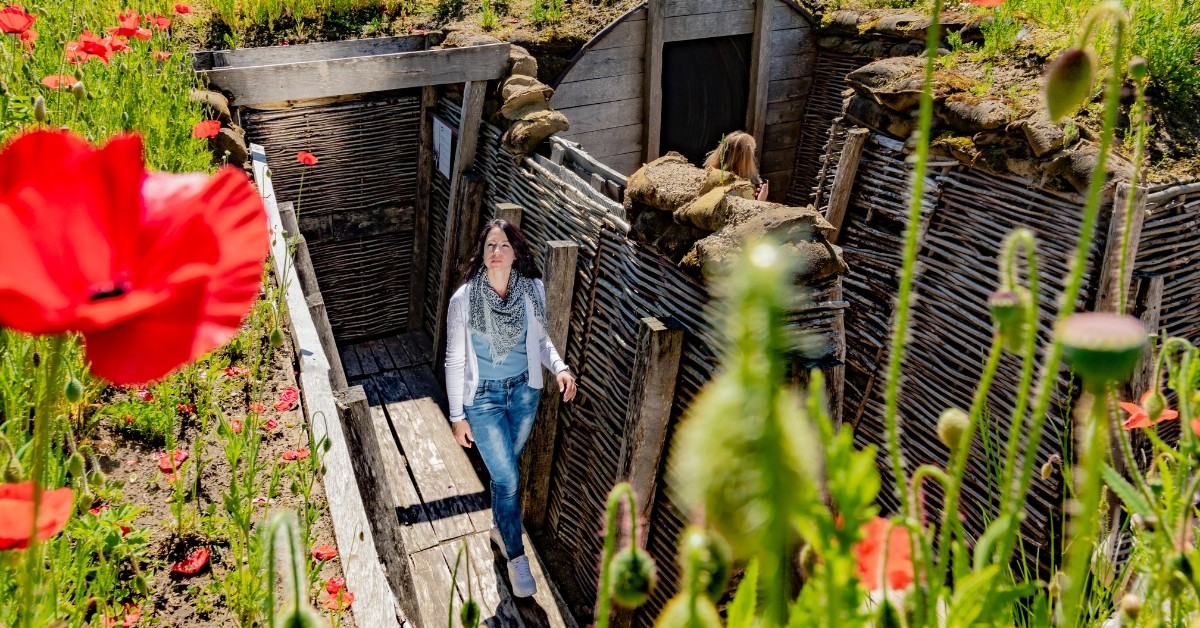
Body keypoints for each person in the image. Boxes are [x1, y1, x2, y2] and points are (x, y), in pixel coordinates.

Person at [444, 218, 577, 598]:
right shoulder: (464, 300)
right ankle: (516, 556)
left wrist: (560, 368)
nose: (497, 251)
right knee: (507, 479)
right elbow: (454, 361)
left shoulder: (532, 289)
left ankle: (499, 528)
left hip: (524, 393)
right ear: (482, 255)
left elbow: (540, 342)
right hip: (482, 399)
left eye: (503, 245)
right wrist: (457, 416)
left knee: (506, 477)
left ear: (515, 251)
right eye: (490, 246)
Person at [703, 130, 770, 201]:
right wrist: (761, 200)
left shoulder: (708, 175)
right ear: (745, 161)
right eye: (751, 154)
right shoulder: (744, 189)